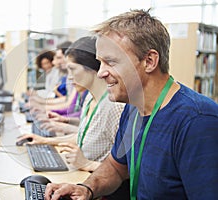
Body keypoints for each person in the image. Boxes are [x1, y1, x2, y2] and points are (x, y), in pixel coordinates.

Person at [44, 9, 218, 200]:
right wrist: (86, 189)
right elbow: (116, 168)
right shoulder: (133, 107)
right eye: (100, 63)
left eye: (110, 62)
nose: (101, 73)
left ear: (149, 61)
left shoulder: (198, 122)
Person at [17, 36, 125, 172]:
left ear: (91, 68)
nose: (69, 76)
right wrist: (44, 140)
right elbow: (82, 138)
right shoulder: (90, 98)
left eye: (72, 69)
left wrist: (87, 164)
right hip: (81, 177)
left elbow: (126, 169)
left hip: (98, 186)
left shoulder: (115, 107)